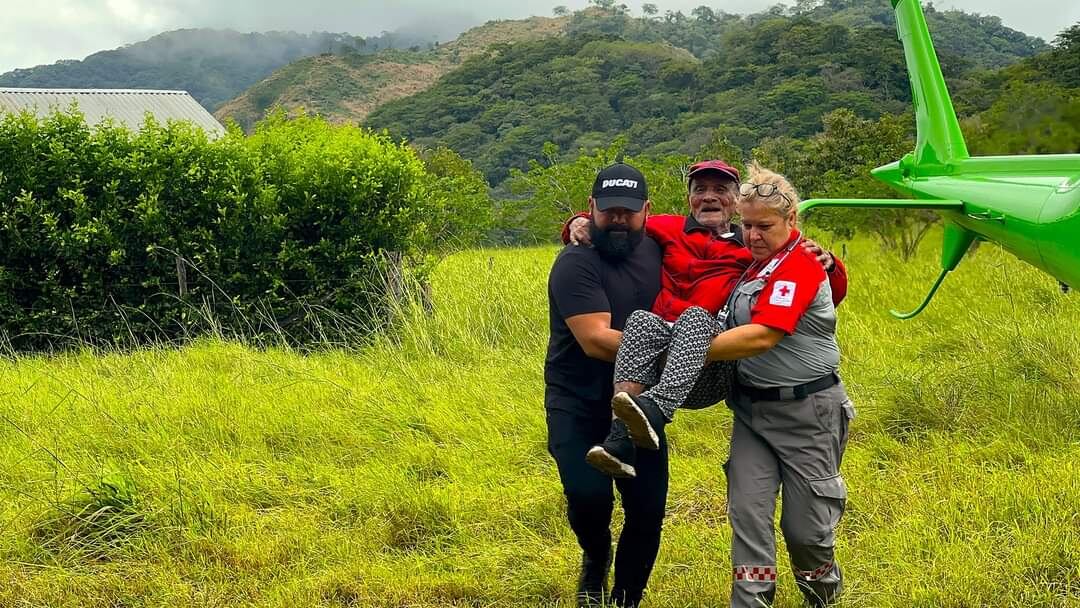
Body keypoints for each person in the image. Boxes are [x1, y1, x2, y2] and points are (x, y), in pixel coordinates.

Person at [562, 160, 847, 478]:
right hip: (660, 355)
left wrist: (831, 265)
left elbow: (810, 292)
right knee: (641, 320)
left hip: (710, 361)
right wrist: (578, 221)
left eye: (721, 190)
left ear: (737, 201)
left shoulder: (754, 243)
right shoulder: (668, 227)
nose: (709, 197)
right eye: (700, 190)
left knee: (695, 317)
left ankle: (657, 411)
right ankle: (619, 439)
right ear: (689, 198)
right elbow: (622, 221)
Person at [701, 162, 854, 608]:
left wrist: (693, 350)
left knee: (805, 533)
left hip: (809, 414)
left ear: (792, 222)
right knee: (748, 517)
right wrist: (577, 224)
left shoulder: (801, 263)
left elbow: (765, 334)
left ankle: (821, 594)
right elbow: (672, 235)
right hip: (752, 413)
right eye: (745, 224)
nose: (751, 235)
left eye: (764, 226)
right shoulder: (752, 265)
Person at [544, 161, 666, 608]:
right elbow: (595, 341)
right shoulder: (575, 262)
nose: (618, 219)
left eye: (628, 212)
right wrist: (680, 353)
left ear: (647, 211)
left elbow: (730, 243)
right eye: (608, 210)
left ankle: (626, 599)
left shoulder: (660, 249)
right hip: (577, 401)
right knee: (587, 495)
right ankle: (596, 556)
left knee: (648, 510)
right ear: (591, 208)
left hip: (640, 403)